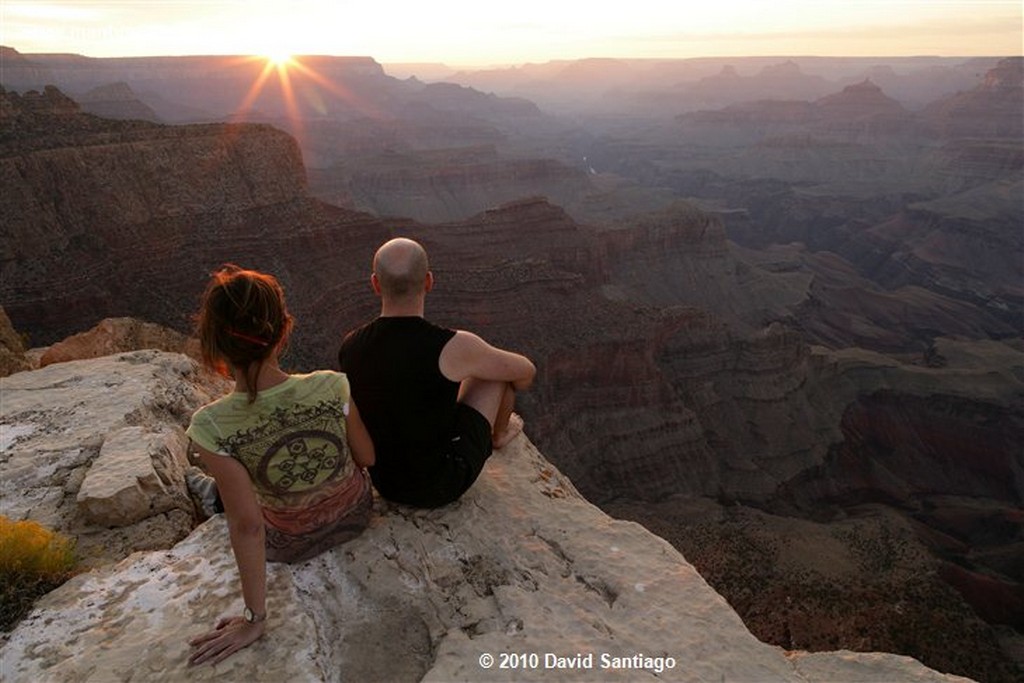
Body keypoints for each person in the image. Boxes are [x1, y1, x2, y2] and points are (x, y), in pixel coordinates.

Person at [183, 265, 375, 667]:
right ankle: (213, 488)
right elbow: (367, 458)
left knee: (233, 491)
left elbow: (248, 525)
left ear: (214, 344)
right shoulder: (332, 384)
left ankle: (208, 489)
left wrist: (255, 620)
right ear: (283, 330)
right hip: (355, 517)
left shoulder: (210, 426)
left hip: (289, 545)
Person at [338, 237, 536, 508]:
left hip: (386, 483)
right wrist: (472, 363)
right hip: (440, 485)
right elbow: (525, 373)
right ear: (429, 282)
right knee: (494, 375)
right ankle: (499, 436)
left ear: (375, 284)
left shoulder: (351, 345)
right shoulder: (455, 346)